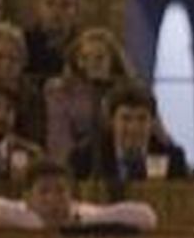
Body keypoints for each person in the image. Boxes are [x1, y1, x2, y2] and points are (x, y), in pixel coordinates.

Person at [0, 159, 156, 232]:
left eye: (61, 190)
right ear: (27, 197)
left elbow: (147, 216)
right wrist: (50, 227)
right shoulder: (17, 211)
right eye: (44, 191)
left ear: (72, 194)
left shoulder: (81, 214)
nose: (53, 199)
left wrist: (79, 226)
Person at [68, 80, 189, 185]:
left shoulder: (172, 158)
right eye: (126, 118)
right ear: (111, 121)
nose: (134, 128)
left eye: (142, 119)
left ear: (152, 122)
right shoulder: (87, 158)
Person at [43, 26, 130, 163]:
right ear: (77, 61)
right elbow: (58, 140)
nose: (92, 63)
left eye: (99, 57)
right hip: (76, 164)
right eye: (85, 57)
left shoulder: (127, 91)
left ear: (112, 61)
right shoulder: (61, 92)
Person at [23, 0, 79, 80]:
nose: (57, 11)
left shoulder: (84, 46)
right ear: (38, 7)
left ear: (76, 10)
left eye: (66, 5)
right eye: (50, 3)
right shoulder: (23, 44)